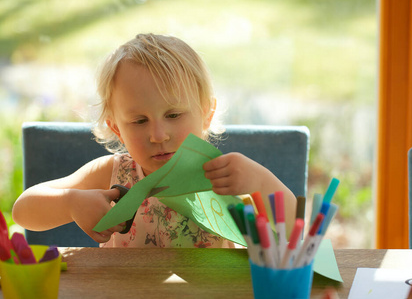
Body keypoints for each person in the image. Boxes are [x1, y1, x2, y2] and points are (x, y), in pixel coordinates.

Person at [12, 33, 297, 248]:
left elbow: (299, 232)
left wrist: (261, 183)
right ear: (117, 128)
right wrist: (70, 203)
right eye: (139, 121)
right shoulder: (112, 173)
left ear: (206, 114)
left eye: (173, 114)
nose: (158, 135)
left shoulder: (226, 177)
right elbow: (23, 211)